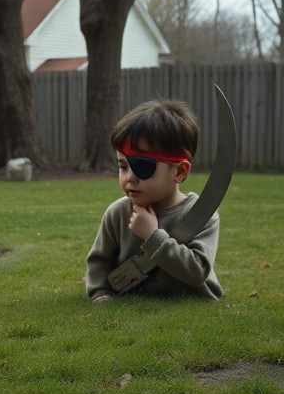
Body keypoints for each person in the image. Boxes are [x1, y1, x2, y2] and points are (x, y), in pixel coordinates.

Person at [86, 99, 223, 301]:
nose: (129, 177)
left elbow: (198, 272)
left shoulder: (202, 215)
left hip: (192, 302)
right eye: (123, 166)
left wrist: (153, 237)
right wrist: (100, 293)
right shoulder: (117, 213)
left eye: (142, 166)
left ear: (179, 171)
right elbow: (99, 262)